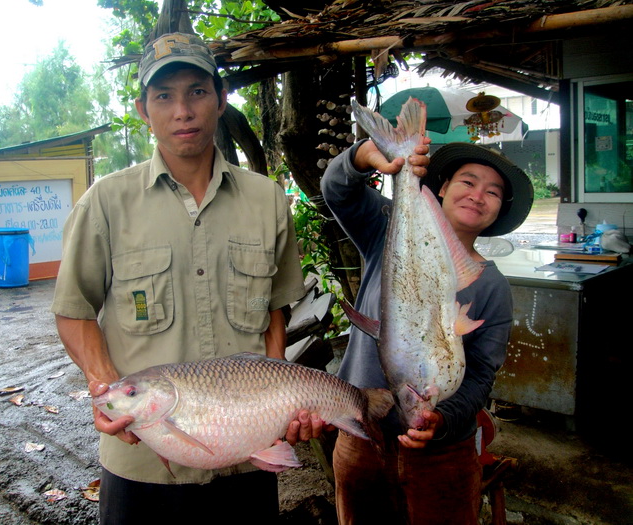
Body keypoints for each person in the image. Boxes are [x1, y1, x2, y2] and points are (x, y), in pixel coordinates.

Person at [51, 32, 318, 524]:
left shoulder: (267, 200)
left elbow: (274, 312)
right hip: (145, 464)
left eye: (197, 91)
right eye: (164, 96)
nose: (183, 110)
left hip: (246, 456)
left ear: (220, 100)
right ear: (142, 109)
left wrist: (281, 406)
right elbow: (74, 310)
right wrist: (108, 389)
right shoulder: (106, 203)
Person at [320, 139, 533, 524]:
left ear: (500, 208)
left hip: (444, 458)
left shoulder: (492, 287)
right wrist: (362, 156)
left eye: (493, 191)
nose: (478, 195)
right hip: (361, 439)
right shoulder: (386, 230)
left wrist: (443, 419)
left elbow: (482, 373)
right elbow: (337, 189)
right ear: (442, 187)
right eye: (468, 182)